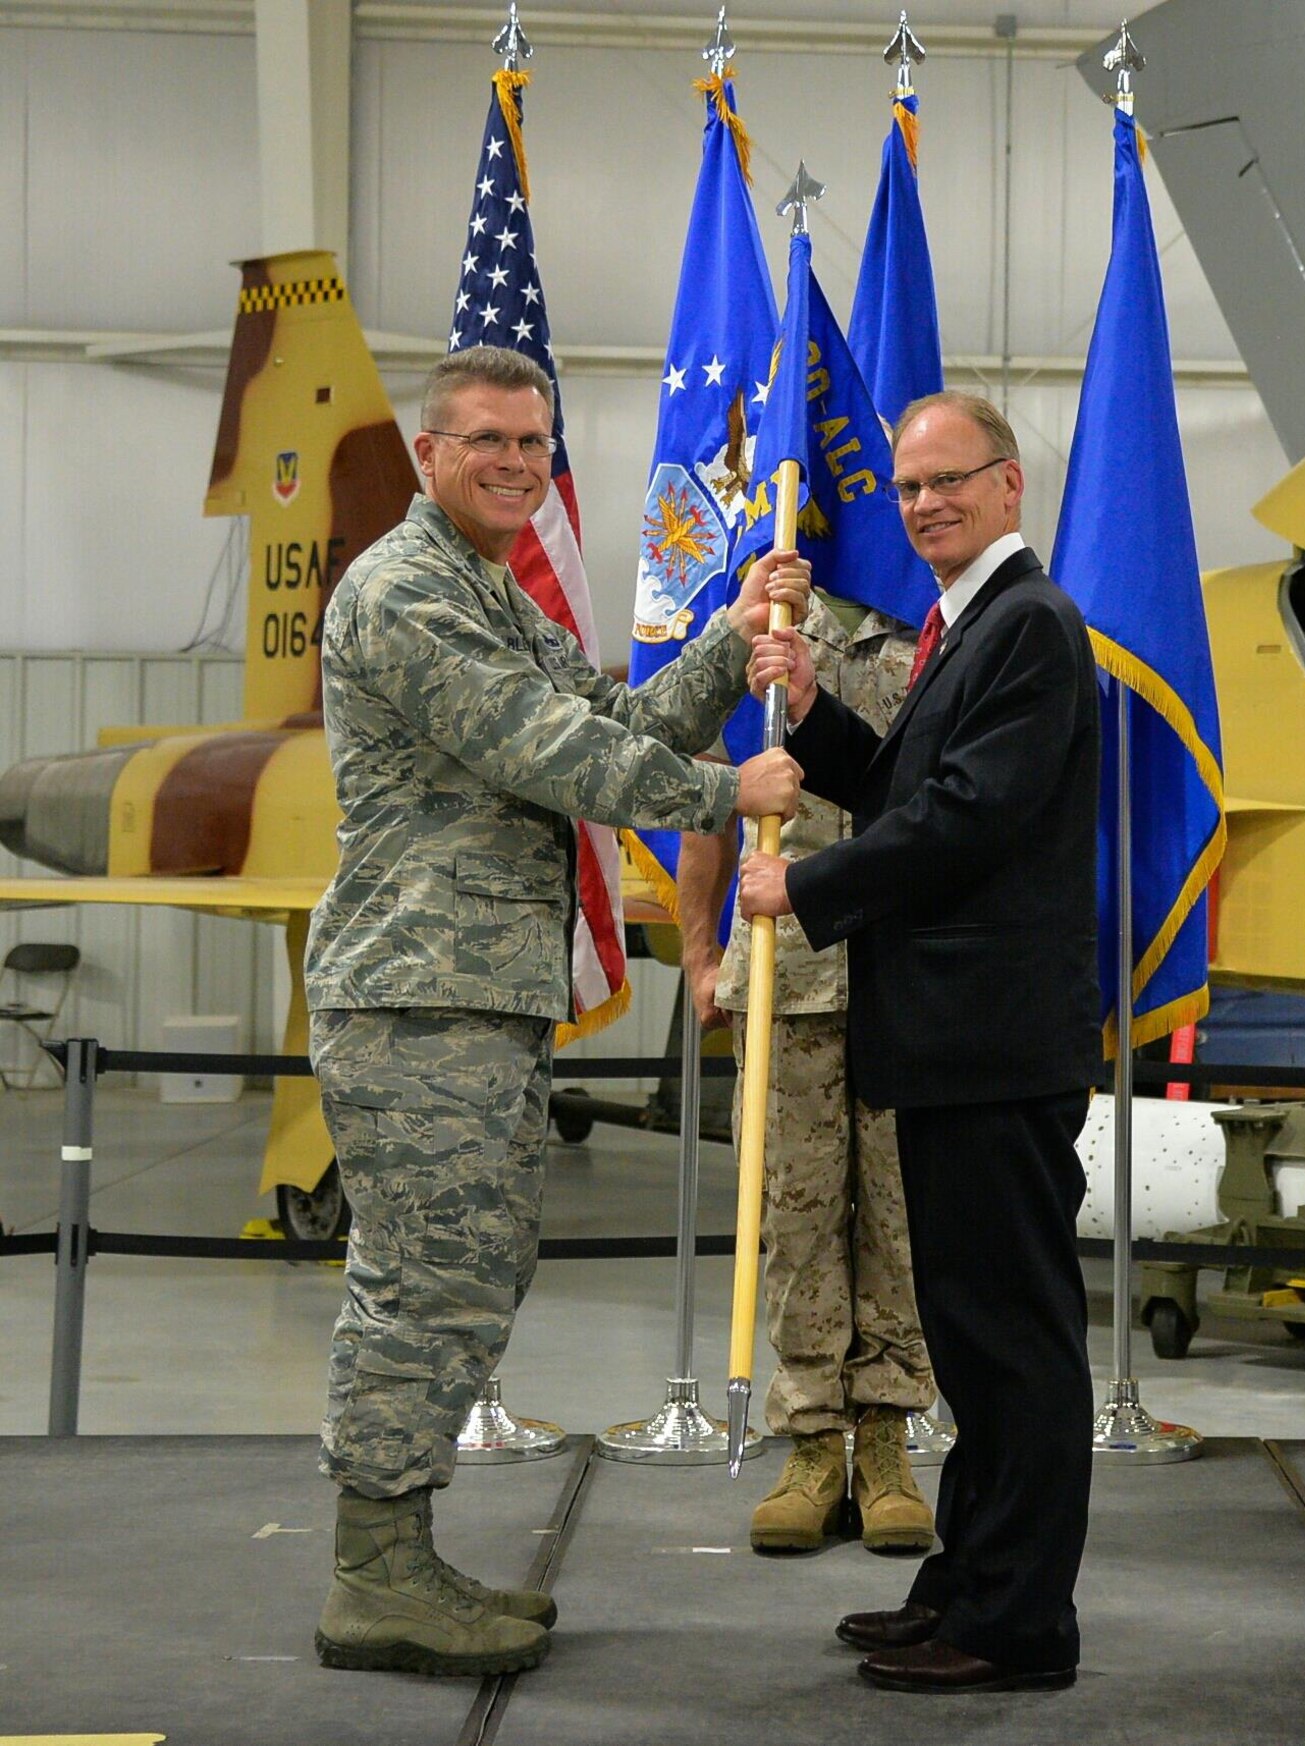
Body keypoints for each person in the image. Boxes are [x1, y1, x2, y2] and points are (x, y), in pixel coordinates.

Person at [306, 344, 803, 1677]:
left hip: (473, 995)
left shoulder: (488, 590)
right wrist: (723, 798)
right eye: (490, 442)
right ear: (432, 455)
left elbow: (612, 712)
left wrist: (734, 632)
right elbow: (550, 751)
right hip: (418, 994)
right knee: (423, 1286)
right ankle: (375, 1574)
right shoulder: (408, 589)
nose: (519, 464)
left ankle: (397, 1552)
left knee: (462, 1278)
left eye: (536, 443)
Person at [739, 390, 1100, 1692]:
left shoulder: (1034, 629)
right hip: (954, 1040)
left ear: (1011, 487)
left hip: (994, 1044)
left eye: (952, 478)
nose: (926, 502)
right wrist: (810, 701)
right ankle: (966, 1578)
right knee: (972, 1339)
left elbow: (967, 818)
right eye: (907, 486)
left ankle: (1019, 1622)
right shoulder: (970, 630)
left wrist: (810, 890)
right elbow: (907, 785)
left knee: (1014, 1341)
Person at [677, 594, 937, 1556]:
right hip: (786, 966)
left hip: (904, 966)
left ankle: (886, 1439)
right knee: (792, 1214)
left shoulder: (941, 622)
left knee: (902, 1215)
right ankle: (811, 1441)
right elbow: (709, 797)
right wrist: (700, 952)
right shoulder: (773, 610)